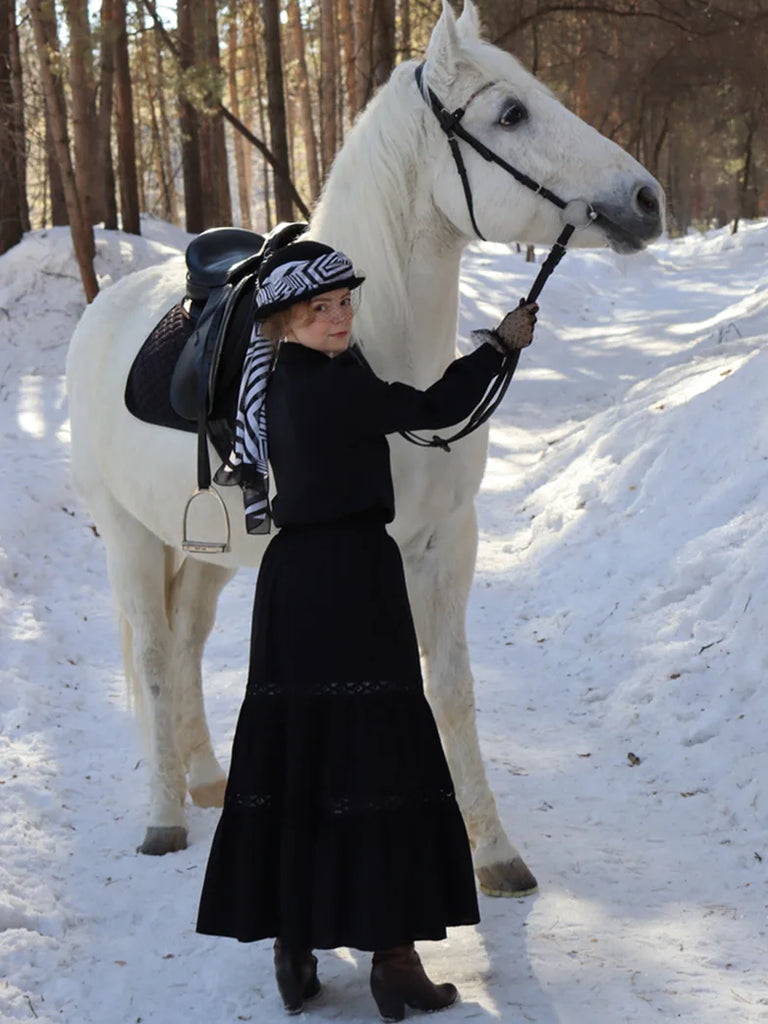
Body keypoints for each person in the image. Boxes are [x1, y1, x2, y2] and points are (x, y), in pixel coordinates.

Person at [196, 240, 538, 1021]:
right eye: (321, 309)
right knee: (372, 756)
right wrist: (499, 347)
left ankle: (295, 944)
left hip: (291, 583)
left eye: (346, 302)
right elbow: (429, 410)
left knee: (302, 756)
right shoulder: (331, 385)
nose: (341, 318)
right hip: (351, 576)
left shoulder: (274, 377)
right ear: (285, 318)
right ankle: (393, 959)